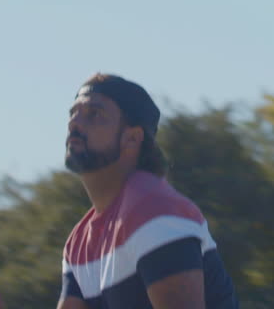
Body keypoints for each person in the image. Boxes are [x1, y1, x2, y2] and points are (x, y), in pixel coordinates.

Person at [59, 74, 238, 309]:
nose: (75, 123)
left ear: (132, 138)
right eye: (74, 113)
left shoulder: (153, 209)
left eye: (94, 114)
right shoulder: (78, 243)